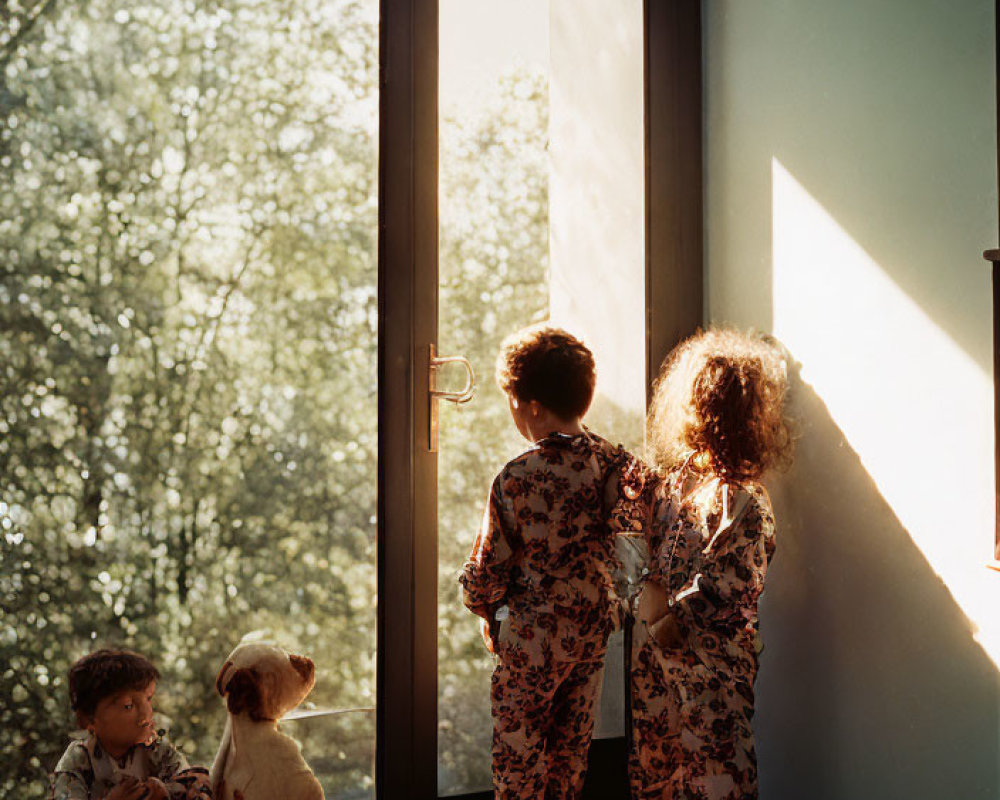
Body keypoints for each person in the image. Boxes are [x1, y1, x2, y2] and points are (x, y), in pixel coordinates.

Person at [460, 324, 647, 800]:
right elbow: (637, 539)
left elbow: (485, 573)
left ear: (534, 407)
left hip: (534, 642)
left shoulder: (518, 479)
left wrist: (484, 609)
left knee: (518, 766)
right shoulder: (616, 463)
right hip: (591, 633)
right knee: (569, 762)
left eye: (514, 403)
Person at [629, 328, 792, 800]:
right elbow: (644, 550)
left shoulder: (741, 497)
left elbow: (734, 581)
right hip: (661, 667)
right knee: (660, 772)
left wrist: (664, 616)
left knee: (716, 774)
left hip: (707, 668)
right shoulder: (678, 483)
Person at [50, 648, 212, 800]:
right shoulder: (79, 760)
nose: (146, 715)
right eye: (128, 706)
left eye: (148, 699)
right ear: (89, 719)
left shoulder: (158, 752)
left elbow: (198, 785)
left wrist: (164, 791)